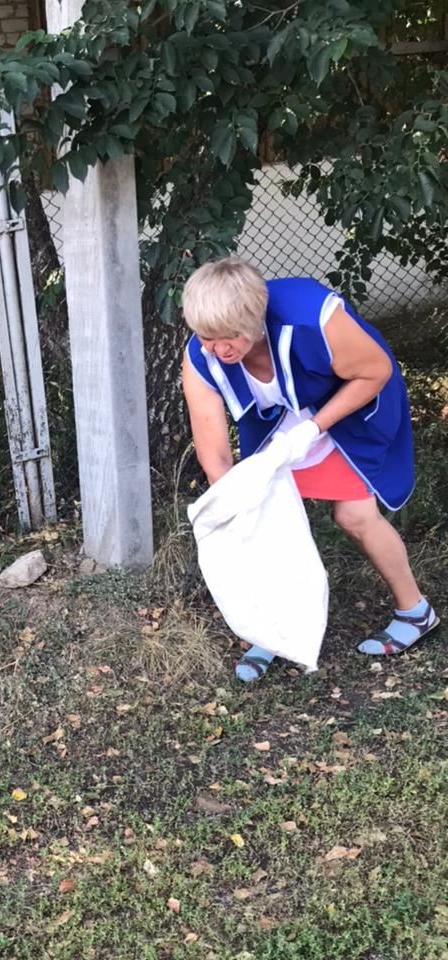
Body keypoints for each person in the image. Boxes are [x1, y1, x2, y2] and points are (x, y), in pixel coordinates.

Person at [181, 257, 437, 682]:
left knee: (354, 516)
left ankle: (415, 613)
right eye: (206, 336)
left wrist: (314, 429)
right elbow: (217, 459)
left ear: (254, 321)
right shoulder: (202, 356)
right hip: (282, 419)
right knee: (260, 515)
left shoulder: (312, 316)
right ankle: (270, 632)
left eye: (228, 339)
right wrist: (240, 505)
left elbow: (375, 372)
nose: (215, 349)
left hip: (349, 404)